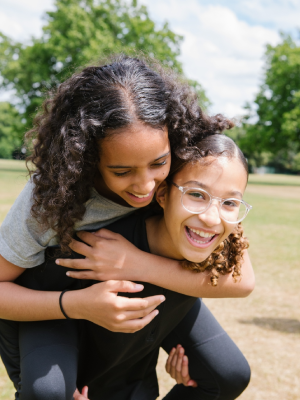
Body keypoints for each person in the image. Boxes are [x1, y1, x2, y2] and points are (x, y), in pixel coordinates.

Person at [0, 55, 254, 399]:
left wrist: (135, 263)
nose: (146, 185)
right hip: (57, 294)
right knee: (49, 392)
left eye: (158, 164)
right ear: (88, 157)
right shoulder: (51, 198)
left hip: (155, 280)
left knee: (227, 374)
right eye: (122, 171)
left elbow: (241, 279)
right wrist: (75, 304)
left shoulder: (185, 157)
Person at [29, 133, 252, 400]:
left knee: (227, 375)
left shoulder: (215, 243)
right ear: (162, 195)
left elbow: (245, 283)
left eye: (230, 203)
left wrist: (138, 264)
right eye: (196, 194)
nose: (210, 217)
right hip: (69, 338)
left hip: (132, 374)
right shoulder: (99, 248)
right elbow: (34, 295)